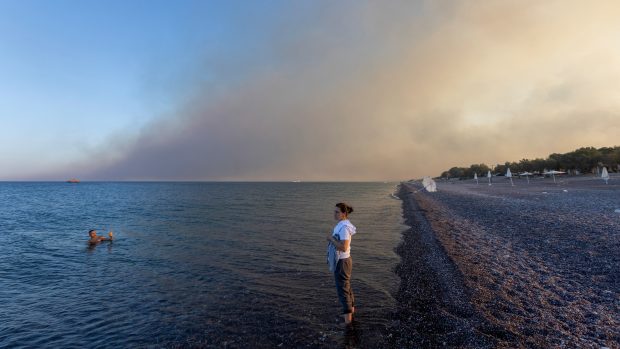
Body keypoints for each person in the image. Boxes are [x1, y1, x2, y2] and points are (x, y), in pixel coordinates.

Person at [326, 202, 357, 325]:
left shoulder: (344, 228)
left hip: (342, 262)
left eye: (337, 212)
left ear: (344, 214)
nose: (334, 214)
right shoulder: (343, 224)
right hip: (344, 261)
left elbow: (344, 247)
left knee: (343, 291)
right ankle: (351, 314)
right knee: (347, 288)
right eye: (334, 211)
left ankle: (348, 324)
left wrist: (331, 239)